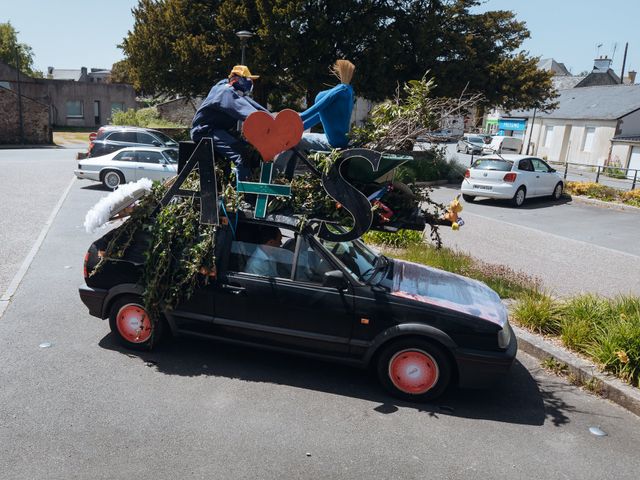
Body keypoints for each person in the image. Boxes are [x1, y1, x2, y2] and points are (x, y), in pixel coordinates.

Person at [275, 60, 356, 176]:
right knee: (296, 137)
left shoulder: (339, 91)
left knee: (293, 141)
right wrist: (296, 130)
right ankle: (287, 177)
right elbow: (318, 117)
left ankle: (275, 175)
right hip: (341, 140)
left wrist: (285, 125)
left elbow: (310, 112)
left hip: (332, 142)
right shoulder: (347, 92)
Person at [191, 65, 270, 181]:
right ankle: (245, 196)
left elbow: (257, 109)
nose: (251, 83)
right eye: (249, 80)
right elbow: (248, 112)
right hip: (205, 131)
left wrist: (273, 120)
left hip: (219, 131)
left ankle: (252, 184)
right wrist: (264, 122)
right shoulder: (225, 91)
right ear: (237, 79)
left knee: (251, 151)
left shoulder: (236, 93)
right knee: (242, 155)